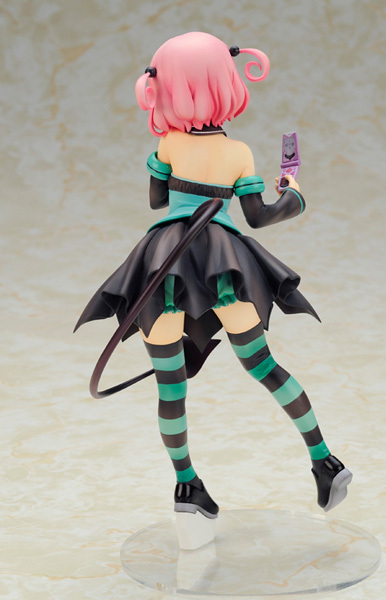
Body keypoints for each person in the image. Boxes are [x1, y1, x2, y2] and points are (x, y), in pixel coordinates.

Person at [75, 32, 352, 537]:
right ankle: (324, 462)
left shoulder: (167, 144)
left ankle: (187, 486)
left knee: (170, 385)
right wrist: (295, 196)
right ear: (224, 81)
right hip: (225, 267)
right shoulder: (239, 153)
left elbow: (158, 202)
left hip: (162, 267)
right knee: (263, 364)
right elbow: (259, 216)